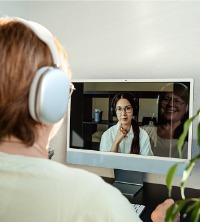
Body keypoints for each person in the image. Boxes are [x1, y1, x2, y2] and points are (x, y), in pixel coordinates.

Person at [0, 17, 176, 222]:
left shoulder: (142, 135)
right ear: (52, 98)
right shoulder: (95, 200)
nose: (124, 114)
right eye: (66, 90)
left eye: (128, 109)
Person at [143, 83, 189, 158]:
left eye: (177, 101)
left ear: (186, 107)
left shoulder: (191, 136)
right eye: (166, 99)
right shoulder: (144, 131)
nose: (170, 104)